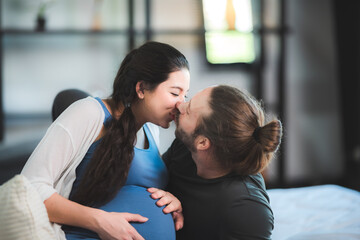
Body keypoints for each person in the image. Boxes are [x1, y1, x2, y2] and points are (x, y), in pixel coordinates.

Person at [21, 41, 190, 240]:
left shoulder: (151, 129)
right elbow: (29, 189)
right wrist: (99, 221)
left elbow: (137, 189)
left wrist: (170, 200)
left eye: (185, 95)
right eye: (174, 93)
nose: (181, 104)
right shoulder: (88, 113)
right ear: (142, 88)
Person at [149, 85, 282, 240]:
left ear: (203, 142)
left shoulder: (246, 208)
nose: (180, 105)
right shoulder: (184, 148)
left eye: (189, 109)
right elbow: (152, 183)